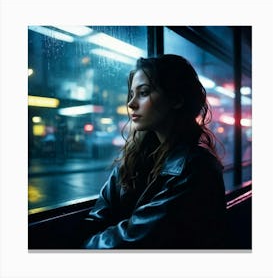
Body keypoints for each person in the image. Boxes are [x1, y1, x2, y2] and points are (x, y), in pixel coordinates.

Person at [80, 54, 226, 249]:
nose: (131, 103)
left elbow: (136, 239)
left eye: (144, 92)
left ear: (176, 99)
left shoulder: (197, 168)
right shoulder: (132, 159)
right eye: (131, 94)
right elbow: (97, 217)